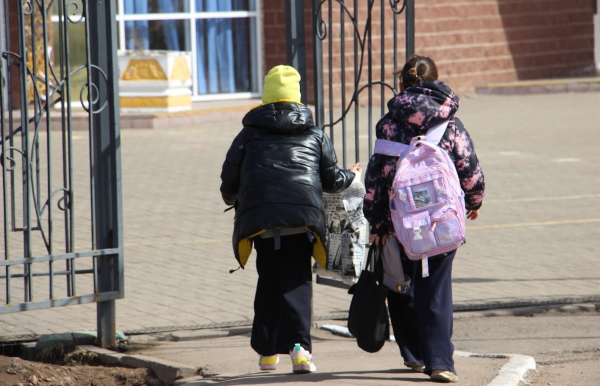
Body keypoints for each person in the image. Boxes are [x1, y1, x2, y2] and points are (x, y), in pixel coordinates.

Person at [220, 65, 360, 374]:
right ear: (296, 99)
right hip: (302, 221)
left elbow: (228, 179)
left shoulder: (247, 135)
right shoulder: (314, 134)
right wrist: (354, 175)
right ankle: (300, 350)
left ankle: (268, 352)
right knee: (297, 283)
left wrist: (233, 199)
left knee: (268, 280)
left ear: (266, 98)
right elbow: (331, 179)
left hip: (262, 222)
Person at [363, 55, 485, 383]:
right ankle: (441, 361)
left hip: (399, 220)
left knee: (401, 283)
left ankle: (415, 354)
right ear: (436, 81)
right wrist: (475, 200)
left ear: (401, 85)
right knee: (436, 288)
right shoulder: (450, 123)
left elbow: (378, 174)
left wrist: (377, 221)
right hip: (441, 220)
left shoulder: (388, 123)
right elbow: (468, 166)